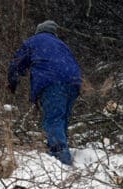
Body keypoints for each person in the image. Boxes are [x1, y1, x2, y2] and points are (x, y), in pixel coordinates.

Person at [8, 20, 82, 166]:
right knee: (62, 118)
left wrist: (12, 82)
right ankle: (61, 150)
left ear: (38, 31)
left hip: (52, 82)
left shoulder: (34, 41)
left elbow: (17, 63)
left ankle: (60, 156)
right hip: (74, 81)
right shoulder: (62, 44)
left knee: (53, 119)